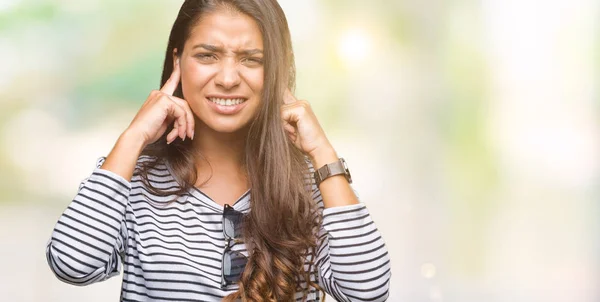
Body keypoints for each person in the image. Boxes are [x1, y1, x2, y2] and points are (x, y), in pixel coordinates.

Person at [45, 0, 391, 301]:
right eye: (207, 55)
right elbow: (72, 264)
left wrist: (322, 151)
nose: (227, 78)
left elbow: (368, 289)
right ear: (178, 61)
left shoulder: (311, 184)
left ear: (278, 70)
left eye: (251, 59)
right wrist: (134, 136)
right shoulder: (135, 178)